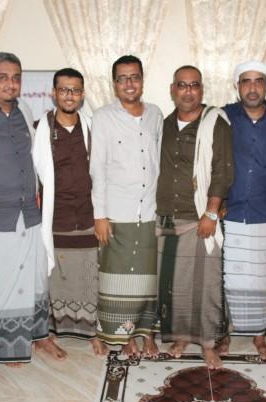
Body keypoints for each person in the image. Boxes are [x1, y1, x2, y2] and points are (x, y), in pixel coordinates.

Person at [0, 52, 65, 365]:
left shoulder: (24, 109)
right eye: (3, 78)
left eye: (16, 78)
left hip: (30, 212)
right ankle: (4, 345)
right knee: (2, 284)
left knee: (35, 280)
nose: (11, 84)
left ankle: (37, 337)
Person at [156, 65, 233, 368]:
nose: (188, 91)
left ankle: (208, 344)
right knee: (175, 285)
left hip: (200, 217)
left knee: (206, 285)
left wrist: (211, 212)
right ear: (172, 89)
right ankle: (182, 336)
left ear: (202, 89)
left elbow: (223, 170)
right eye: (182, 85)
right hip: (167, 218)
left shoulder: (215, 122)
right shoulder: (164, 124)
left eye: (194, 85)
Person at [90, 55, 162, 357]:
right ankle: (124, 337)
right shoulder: (103, 117)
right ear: (115, 84)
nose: (129, 83)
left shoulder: (155, 114)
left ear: (142, 80)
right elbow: (97, 168)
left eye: (134, 77)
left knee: (147, 279)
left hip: (149, 211)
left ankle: (147, 333)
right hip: (117, 213)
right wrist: (100, 215)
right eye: (122, 78)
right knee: (118, 279)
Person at [222, 60, 266, 358]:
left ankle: (259, 336)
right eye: (246, 81)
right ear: (237, 86)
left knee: (261, 277)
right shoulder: (224, 116)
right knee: (228, 276)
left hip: (265, 211)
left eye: (258, 81)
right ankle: (224, 333)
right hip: (230, 211)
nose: (252, 88)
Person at [37, 68, 107, 356]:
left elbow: (101, 173)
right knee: (56, 280)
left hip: (87, 216)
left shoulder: (91, 128)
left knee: (90, 278)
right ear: (53, 93)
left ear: (82, 95)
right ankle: (52, 332)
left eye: (75, 90)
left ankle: (92, 333)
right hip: (55, 218)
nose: (69, 96)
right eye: (64, 90)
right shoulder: (39, 129)